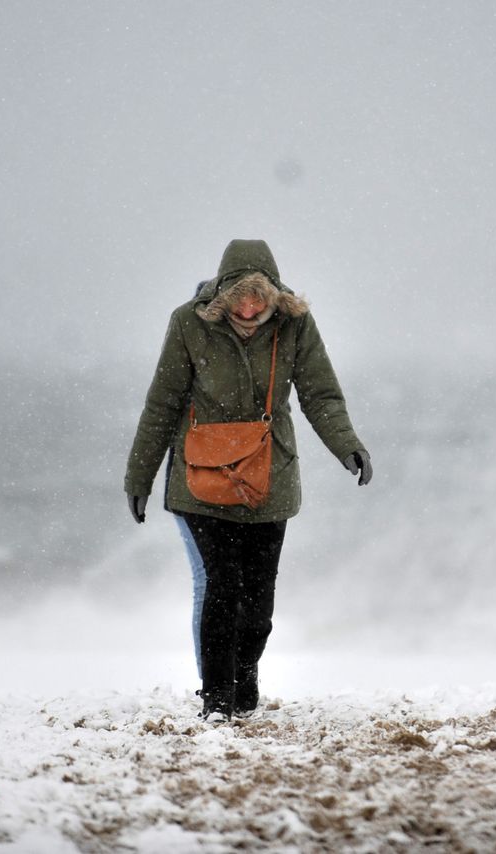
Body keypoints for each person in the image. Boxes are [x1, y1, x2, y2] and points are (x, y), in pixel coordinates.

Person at [125, 239, 371, 720]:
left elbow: (320, 394)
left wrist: (348, 445)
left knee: (259, 603)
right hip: (200, 479)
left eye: (261, 297)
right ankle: (217, 699)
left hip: (269, 477)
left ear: (275, 296)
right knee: (223, 584)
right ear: (223, 294)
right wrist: (140, 475)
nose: (251, 307)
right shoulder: (188, 324)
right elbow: (162, 404)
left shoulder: (295, 325)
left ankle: (245, 675)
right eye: (242, 296)